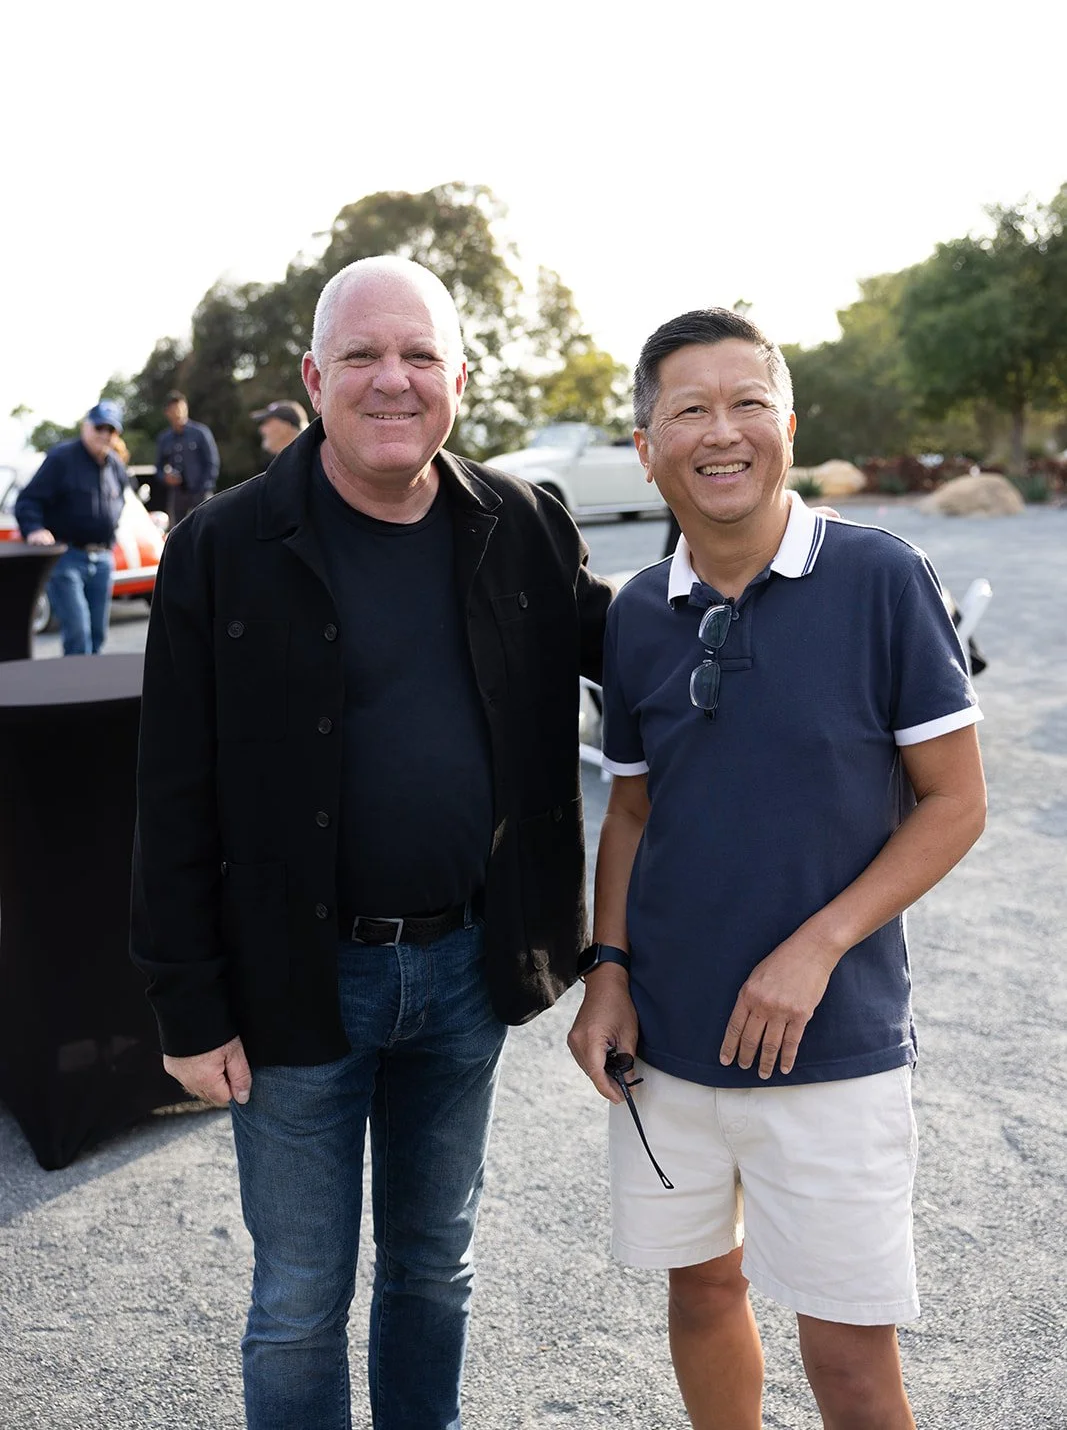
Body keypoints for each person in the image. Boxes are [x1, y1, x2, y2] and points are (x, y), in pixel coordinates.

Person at [131, 255, 612, 1430]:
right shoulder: (223, 546)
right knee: (298, 1294)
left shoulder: (522, 523)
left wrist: (808, 600)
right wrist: (187, 1009)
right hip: (297, 985)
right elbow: (171, 790)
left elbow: (645, 654)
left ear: (459, 376)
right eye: (360, 356)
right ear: (313, 373)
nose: (390, 380)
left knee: (431, 1267)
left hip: (464, 973)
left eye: (417, 356)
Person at [568, 307, 987, 1430]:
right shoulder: (636, 618)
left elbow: (954, 804)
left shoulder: (880, 577)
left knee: (848, 1362)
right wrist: (606, 969)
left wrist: (813, 947)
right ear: (648, 443)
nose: (721, 430)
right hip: (668, 1045)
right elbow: (630, 811)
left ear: (787, 425)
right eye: (688, 408)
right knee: (702, 1290)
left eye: (746, 402)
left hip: (833, 1042)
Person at [15, 400, 128, 655]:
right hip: (68, 558)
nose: (103, 434)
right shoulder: (61, 459)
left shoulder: (115, 466)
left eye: (110, 430)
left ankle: (94, 689)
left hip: (102, 559)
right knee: (78, 632)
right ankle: (77, 691)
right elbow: (28, 500)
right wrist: (34, 529)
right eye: (99, 427)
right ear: (85, 426)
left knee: (98, 634)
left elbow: (121, 500)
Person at [154, 390, 220, 522]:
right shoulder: (164, 438)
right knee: (177, 531)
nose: (178, 413)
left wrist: (204, 487)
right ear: (167, 413)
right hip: (178, 494)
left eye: (180, 408)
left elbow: (212, 462)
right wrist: (166, 478)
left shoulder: (200, 433)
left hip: (201, 492)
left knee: (206, 528)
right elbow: (159, 467)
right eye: (173, 409)